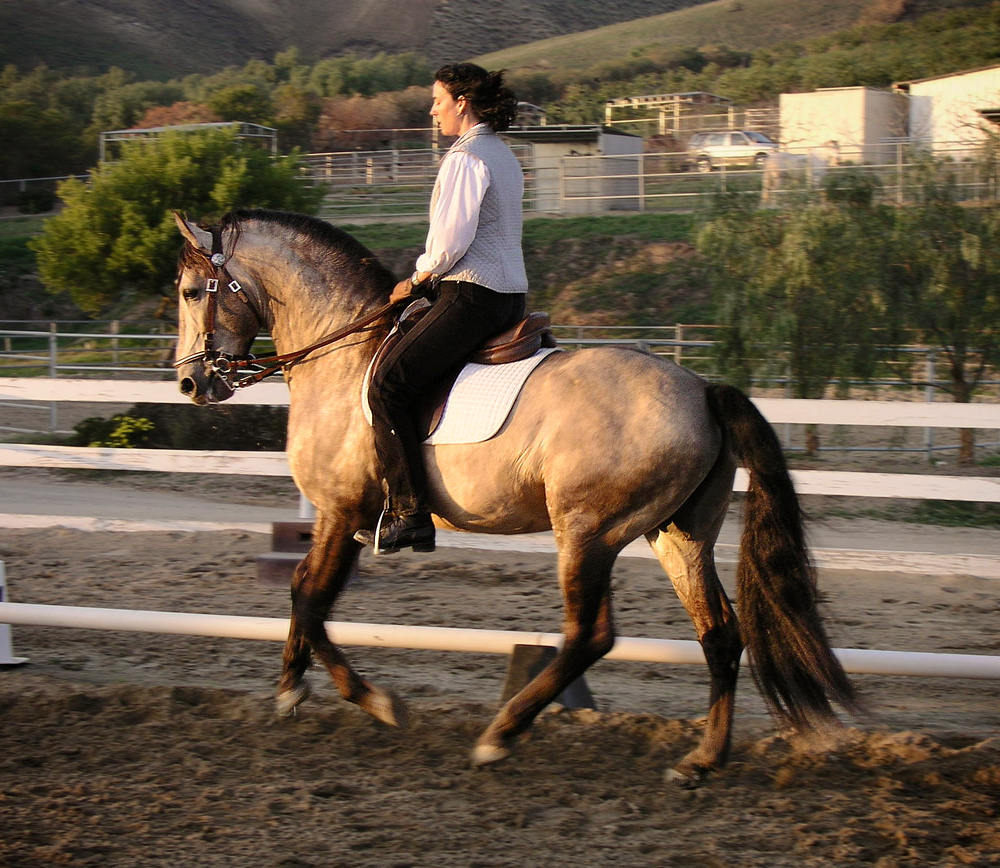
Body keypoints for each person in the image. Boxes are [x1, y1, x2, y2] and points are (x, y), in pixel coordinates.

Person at [355, 63, 528, 555]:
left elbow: (450, 243)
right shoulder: (503, 154)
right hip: (510, 293)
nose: (431, 109)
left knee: (388, 385)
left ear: (461, 102)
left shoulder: (466, 157)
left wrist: (415, 278)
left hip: (471, 292)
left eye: (437, 99)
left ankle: (410, 513)